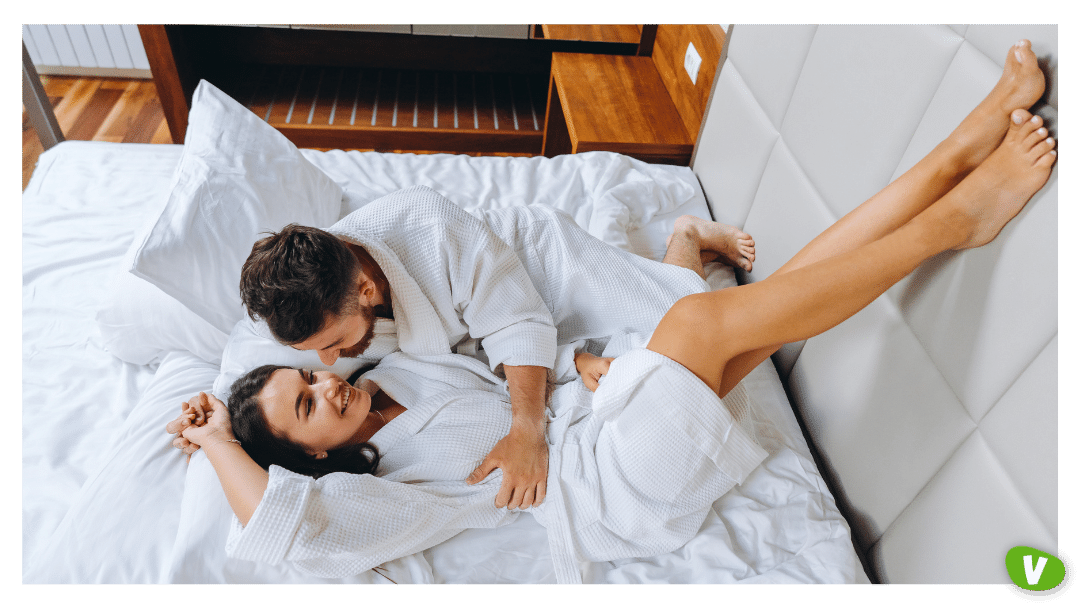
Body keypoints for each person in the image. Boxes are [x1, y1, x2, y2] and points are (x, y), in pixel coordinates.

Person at [169, 39, 1054, 583]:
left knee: (758, 314)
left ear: (359, 289)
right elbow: (289, 531)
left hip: (599, 409)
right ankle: (956, 220)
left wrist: (572, 381)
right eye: (312, 403)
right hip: (608, 493)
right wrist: (215, 440)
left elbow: (511, 344)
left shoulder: (395, 361)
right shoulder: (380, 492)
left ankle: (957, 154)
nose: (328, 379)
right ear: (309, 458)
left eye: (314, 373)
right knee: (706, 323)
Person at [196, 181, 756, 511]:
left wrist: (527, 430)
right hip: (475, 333)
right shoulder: (308, 302)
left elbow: (517, 324)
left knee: (684, 318)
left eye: (335, 344)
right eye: (315, 358)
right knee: (649, 364)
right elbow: (257, 387)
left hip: (534, 268)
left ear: (366, 290)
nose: (327, 364)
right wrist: (213, 422)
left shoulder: (427, 224)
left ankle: (686, 236)